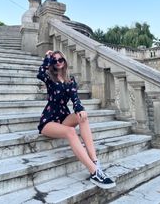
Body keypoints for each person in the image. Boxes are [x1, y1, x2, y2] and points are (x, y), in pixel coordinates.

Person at [37, 50, 116, 189]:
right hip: (49, 121)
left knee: (82, 117)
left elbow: (75, 99)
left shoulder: (70, 80)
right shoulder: (49, 77)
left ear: (65, 60)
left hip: (63, 117)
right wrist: (47, 57)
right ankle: (94, 173)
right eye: (54, 61)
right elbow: (40, 73)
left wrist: (80, 109)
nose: (58, 62)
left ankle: (95, 161)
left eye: (60, 59)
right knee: (70, 132)